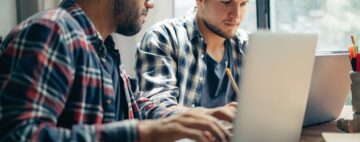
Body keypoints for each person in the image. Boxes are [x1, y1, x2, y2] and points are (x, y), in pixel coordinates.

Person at [0, 0, 232, 141]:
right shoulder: (53, 31)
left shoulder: (103, 48)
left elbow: (137, 106)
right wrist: (146, 134)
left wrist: (196, 118)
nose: (150, 4)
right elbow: (19, 136)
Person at [135, 0, 249, 113]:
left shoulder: (247, 46)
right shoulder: (164, 37)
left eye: (243, 4)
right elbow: (158, 106)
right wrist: (213, 117)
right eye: (226, 2)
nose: (237, 16)